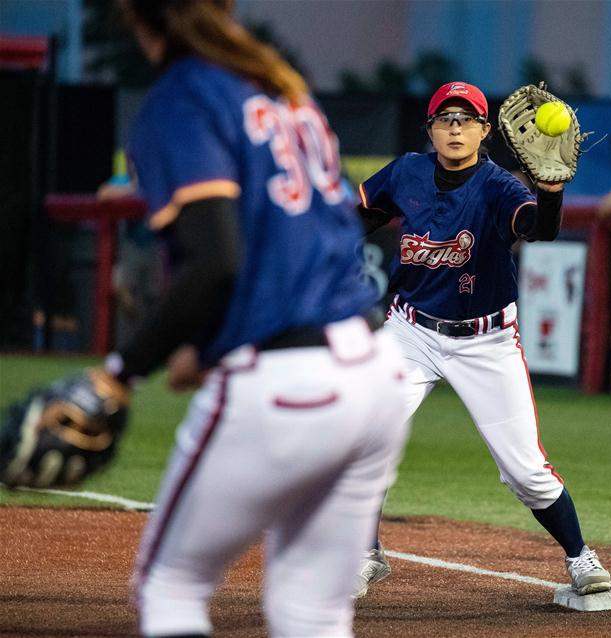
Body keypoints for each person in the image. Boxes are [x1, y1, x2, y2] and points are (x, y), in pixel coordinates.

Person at [115, 1, 409, 636]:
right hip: (377, 371)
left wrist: (121, 372)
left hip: (289, 380)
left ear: (140, 19)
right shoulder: (284, 88)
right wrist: (208, 343)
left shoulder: (182, 96)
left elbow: (215, 262)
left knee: (172, 586)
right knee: (314, 611)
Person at [353, 81, 611, 598]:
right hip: (410, 332)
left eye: (466, 118)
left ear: (485, 131)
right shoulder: (406, 171)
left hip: (486, 340)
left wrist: (552, 190)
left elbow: (539, 229)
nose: (454, 127)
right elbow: (354, 219)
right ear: (429, 129)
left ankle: (580, 557)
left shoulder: (499, 186)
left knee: (526, 472)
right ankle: (364, 553)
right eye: (444, 118)